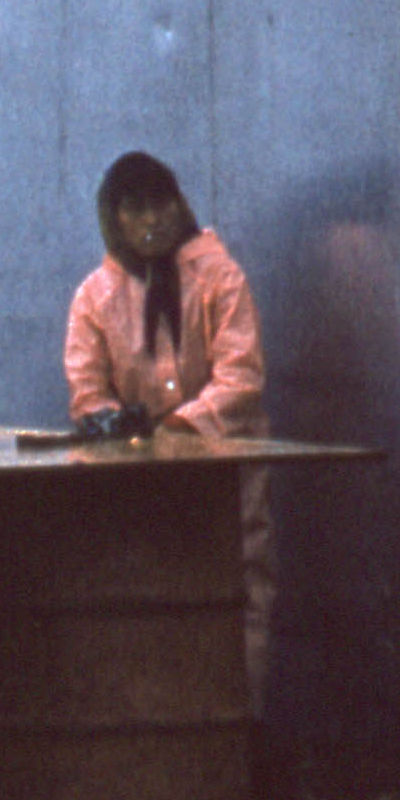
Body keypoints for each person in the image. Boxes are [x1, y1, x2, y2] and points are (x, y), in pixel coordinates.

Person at [63, 151, 280, 730]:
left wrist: (180, 425)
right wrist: (118, 423)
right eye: (134, 209)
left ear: (179, 205)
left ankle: (240, 725)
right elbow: (86, 390)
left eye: (161, 204)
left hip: (222, 458)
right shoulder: (95, 296)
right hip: (140, 472)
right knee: (150, 585)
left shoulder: (218, 275)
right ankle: (158, 726)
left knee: (241, 582)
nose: (151, 220)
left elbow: (241, 376)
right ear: (114, 218)